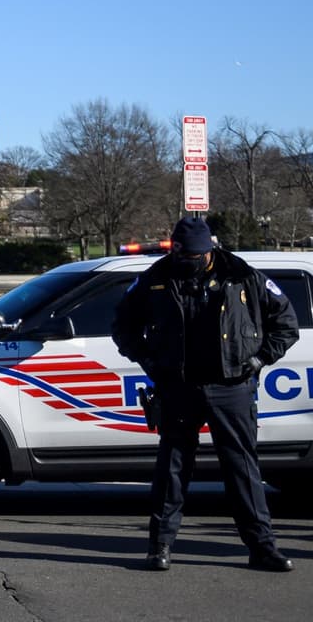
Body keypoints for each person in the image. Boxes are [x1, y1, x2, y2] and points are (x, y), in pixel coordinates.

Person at [113, 216, 298, 572]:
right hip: (178, 386)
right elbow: (123, 324)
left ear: (209, 251)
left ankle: (262, 547)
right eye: (180, 254)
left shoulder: (243, 275)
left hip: (232, 386)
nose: (184, 261)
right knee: (172, 468)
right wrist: (149, 361)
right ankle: (160, 547)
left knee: (242, 468)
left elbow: (285, 324)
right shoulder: (156, 277)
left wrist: (259, 360)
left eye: (192, 256)